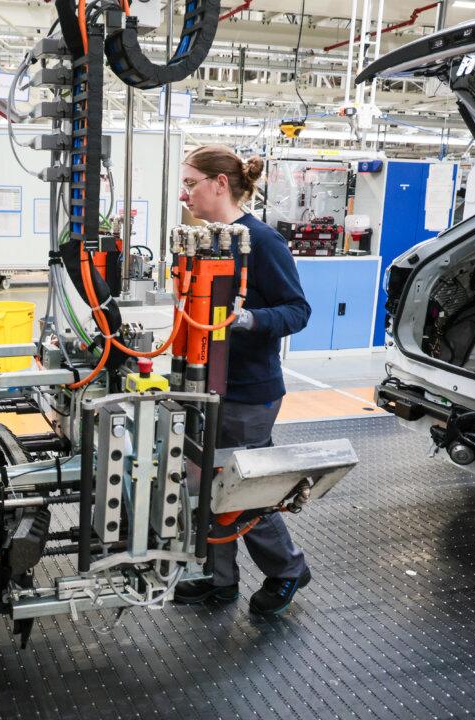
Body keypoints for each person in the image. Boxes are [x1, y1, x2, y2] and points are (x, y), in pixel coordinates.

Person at [172, 144, 313, 616]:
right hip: (205, 386)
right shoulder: (210, 239)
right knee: (207, 486)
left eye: (191, 183)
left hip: (248, 392)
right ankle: (220, 579)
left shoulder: (262, 241)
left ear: (220, 184)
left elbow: (297, 311)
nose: (184, 194)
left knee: (241, 491)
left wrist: (247, 320)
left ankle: (288, 569)